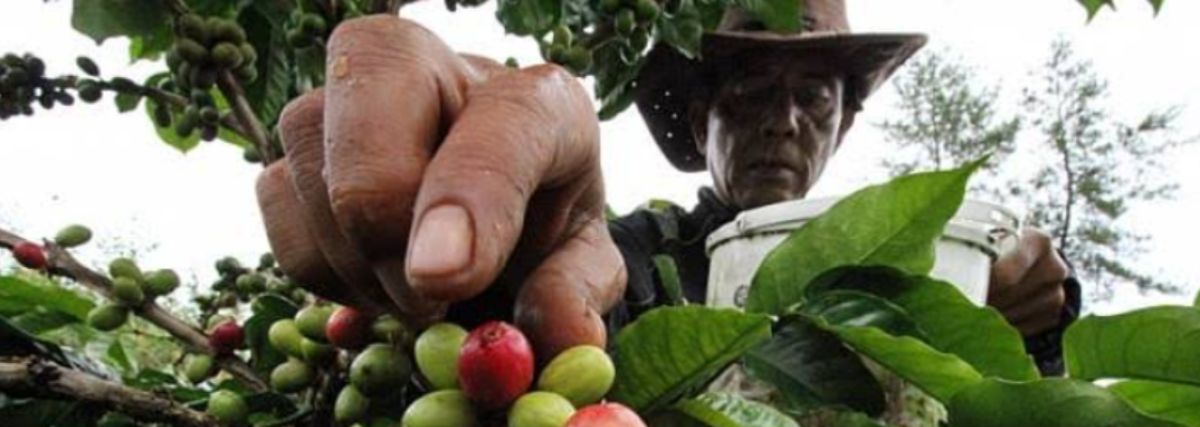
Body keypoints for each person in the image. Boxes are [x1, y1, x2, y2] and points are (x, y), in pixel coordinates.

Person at [256, 1, 1078, 372]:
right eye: (753, 90)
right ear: (701, 114)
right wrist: (491, 241)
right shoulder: (642, 252)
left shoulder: (912, 269)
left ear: (844, 126)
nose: (785, 122)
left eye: (815, 98)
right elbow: (551, 312)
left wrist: (1031, 322)